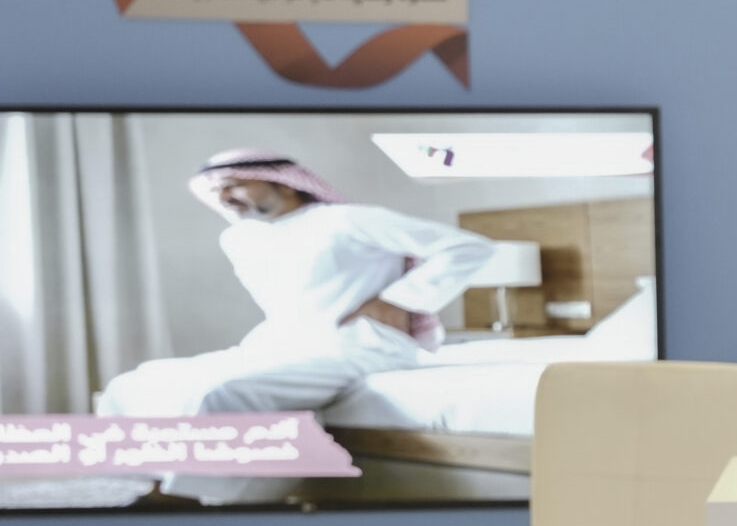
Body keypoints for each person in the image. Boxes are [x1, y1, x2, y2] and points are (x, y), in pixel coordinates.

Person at [96, 149, 494, 421]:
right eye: (217, 191)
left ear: (284, 183)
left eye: (234, 184)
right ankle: (149, 480)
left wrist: (398, 299)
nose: (224, 196)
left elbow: (468, 247)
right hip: (279, 345)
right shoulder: (238, 239)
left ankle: (202, 495)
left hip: (360, 346)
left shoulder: (346, 220)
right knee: (132, 384)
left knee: (223, 395)